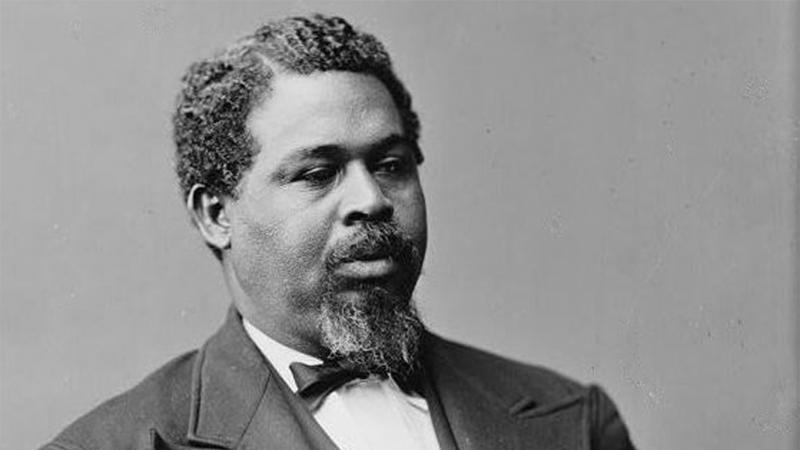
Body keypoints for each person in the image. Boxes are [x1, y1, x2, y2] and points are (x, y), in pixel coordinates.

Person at [42, 14, 635, 450]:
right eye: (319, 173)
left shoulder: (574, 424)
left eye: (391, 165)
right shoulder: (119, 444)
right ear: (216, 215)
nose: (372, 199)